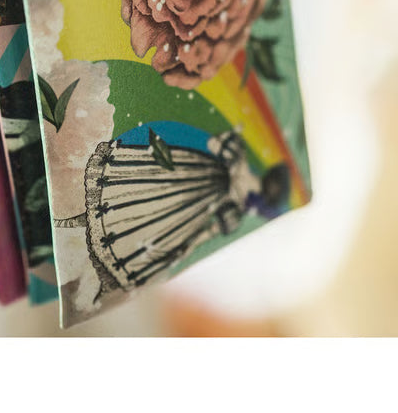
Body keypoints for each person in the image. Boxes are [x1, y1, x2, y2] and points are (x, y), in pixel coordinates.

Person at [54, 126, 290, 306]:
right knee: (140, 201)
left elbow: (215, 144)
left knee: (139, 202)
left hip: (189, 194)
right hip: (189, 187)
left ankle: (74, 229)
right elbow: (209, 232)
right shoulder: (239, 188)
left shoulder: (238, 166)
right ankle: (75, 229)